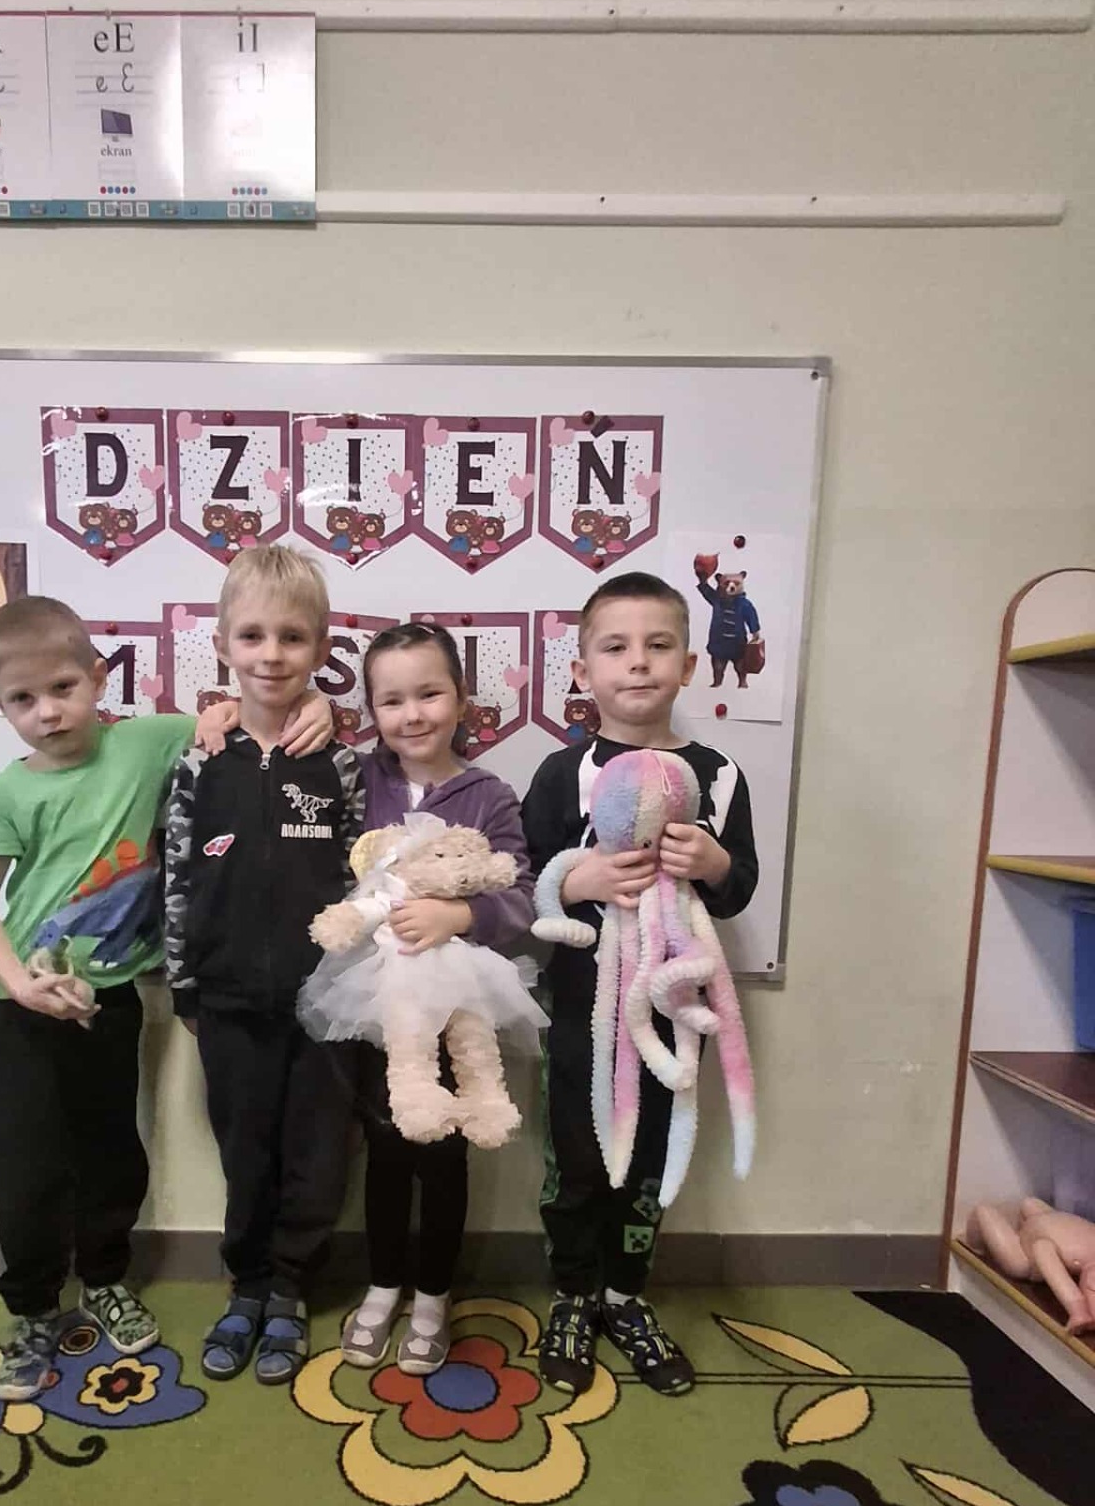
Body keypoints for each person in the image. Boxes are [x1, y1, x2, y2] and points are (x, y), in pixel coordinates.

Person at [0, 594, 330, 1400]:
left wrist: (319, 706)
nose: (48, 712)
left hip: (111, 1000)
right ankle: (31, 1309)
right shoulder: (1, 797)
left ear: (99, 678)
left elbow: (237, 718)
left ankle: (105, 1280)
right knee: (23, 1168)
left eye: (63, 688)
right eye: (23, 700)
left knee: (111, 1153)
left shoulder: (149, 742)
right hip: (17, 1011)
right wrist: (18, 983)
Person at [521, 573, 758, 1398]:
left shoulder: (718, 775)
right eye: (615, 647)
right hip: (578, 1013)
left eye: (659, 646)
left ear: (688, 665)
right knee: (578, 1161)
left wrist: (714, 862)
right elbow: (523, 885)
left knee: (652, 1161)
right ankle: (573, 1296)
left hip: (675, 1013)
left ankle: (626, 1296)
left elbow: (739, 887)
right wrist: (575, 879)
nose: (638, 663)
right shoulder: (562, 773)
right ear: (582, 670)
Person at [303, 621, 537, 1375]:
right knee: (384, 1145)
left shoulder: (491, 795)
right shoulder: (353, 778)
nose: (412, 714)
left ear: (461, 700)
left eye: (430, 694)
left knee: (443, 1153)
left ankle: (433, 1295)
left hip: (458, 1003)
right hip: (374, 1004)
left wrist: (459, 916)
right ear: (370, 709)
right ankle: (382, 1284)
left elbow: (522, 894)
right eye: (392, 700)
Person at [164, 547, 365, 1387]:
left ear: (321, 649)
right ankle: (246, 1283)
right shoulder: (201, 757)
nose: (271, 655)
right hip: (226, 994)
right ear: (222, 645)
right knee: (245, 1147)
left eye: (292, 637)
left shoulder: (341, 761)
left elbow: (365, 874)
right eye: (252, 636)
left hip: (327, 997)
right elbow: (178, 871)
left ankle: (289, 1286)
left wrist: (355, 979)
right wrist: (184, 979)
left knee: (317, 1151)